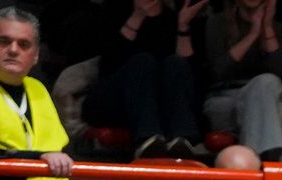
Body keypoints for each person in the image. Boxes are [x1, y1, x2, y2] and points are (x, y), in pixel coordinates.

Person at [85, 0, 204, 158]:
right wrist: (138, 16)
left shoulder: (173, 16)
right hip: (118, 98)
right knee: (144, 61)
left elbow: (190, 74)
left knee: (175, 63)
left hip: (161, 101)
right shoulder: (113, 9)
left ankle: (183, 139)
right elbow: (108, 64)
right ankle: (148, 140)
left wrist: (182, 27)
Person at [201, 0, 282, 166]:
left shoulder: (278, 29)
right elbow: (218, 70)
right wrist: (253, 34)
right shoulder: (218, 23)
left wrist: (266, 26)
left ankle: (252, 166)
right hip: (227, 100)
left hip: (267, 99)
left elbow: (279, 71)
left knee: (278, 100)